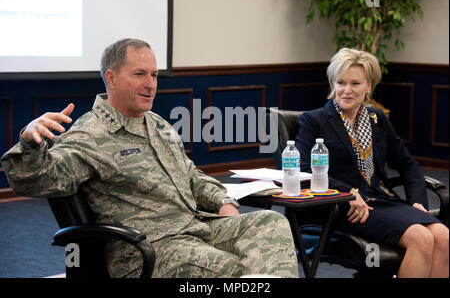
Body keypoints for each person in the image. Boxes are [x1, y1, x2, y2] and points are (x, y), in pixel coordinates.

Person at [1, 38, 299, 278]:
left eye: (154, 75)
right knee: (233, 269)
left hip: (195, 227)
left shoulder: (157, 124)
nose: (151, 83)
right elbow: (39, 180)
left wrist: (221, 202)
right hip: (149, 248)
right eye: (140, 74)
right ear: (111, 78)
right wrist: (29, 142)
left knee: (271, 224)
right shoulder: (90, 134)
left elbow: (190, 175)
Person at [295, 48, 448, 278]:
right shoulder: (315, 120)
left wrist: (417, 201)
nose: (346, 90)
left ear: (369, 86)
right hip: (342, 207)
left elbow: (407, 164)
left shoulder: (376, 118)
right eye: (341, 82)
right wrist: (348, 192)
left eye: (355, 83)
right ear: (332, 83)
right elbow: (303, 170)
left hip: (380, 199)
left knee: (444, 236)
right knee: (421, 238)